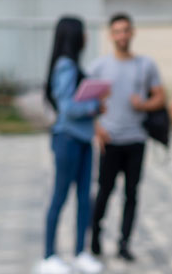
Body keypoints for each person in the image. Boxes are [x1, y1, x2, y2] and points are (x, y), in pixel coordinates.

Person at [87, 13, 164, 263]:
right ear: (111, 36)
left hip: (136, 139)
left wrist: (144, 104)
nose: (122, 35)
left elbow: (160, 98)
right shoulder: (99, 67)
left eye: (126, 30)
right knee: (105, 191)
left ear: (132, 33)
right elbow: (86, 101)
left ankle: (124, 242)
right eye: (117, 31)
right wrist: (97, 128)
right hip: (110, 139)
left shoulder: (145, 65)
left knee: (132, 194)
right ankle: (96, 234)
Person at [39, 16, 107, 274]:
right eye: (84, 31)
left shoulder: (73, 64)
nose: (87, 36)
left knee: (83, 199)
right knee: (60, 196)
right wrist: (94, 106)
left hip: (83, 140)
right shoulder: (65, 66)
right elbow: (66, 108)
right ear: (74, 36)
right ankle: (48, 256)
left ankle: (80, 252)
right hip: (67, 140)